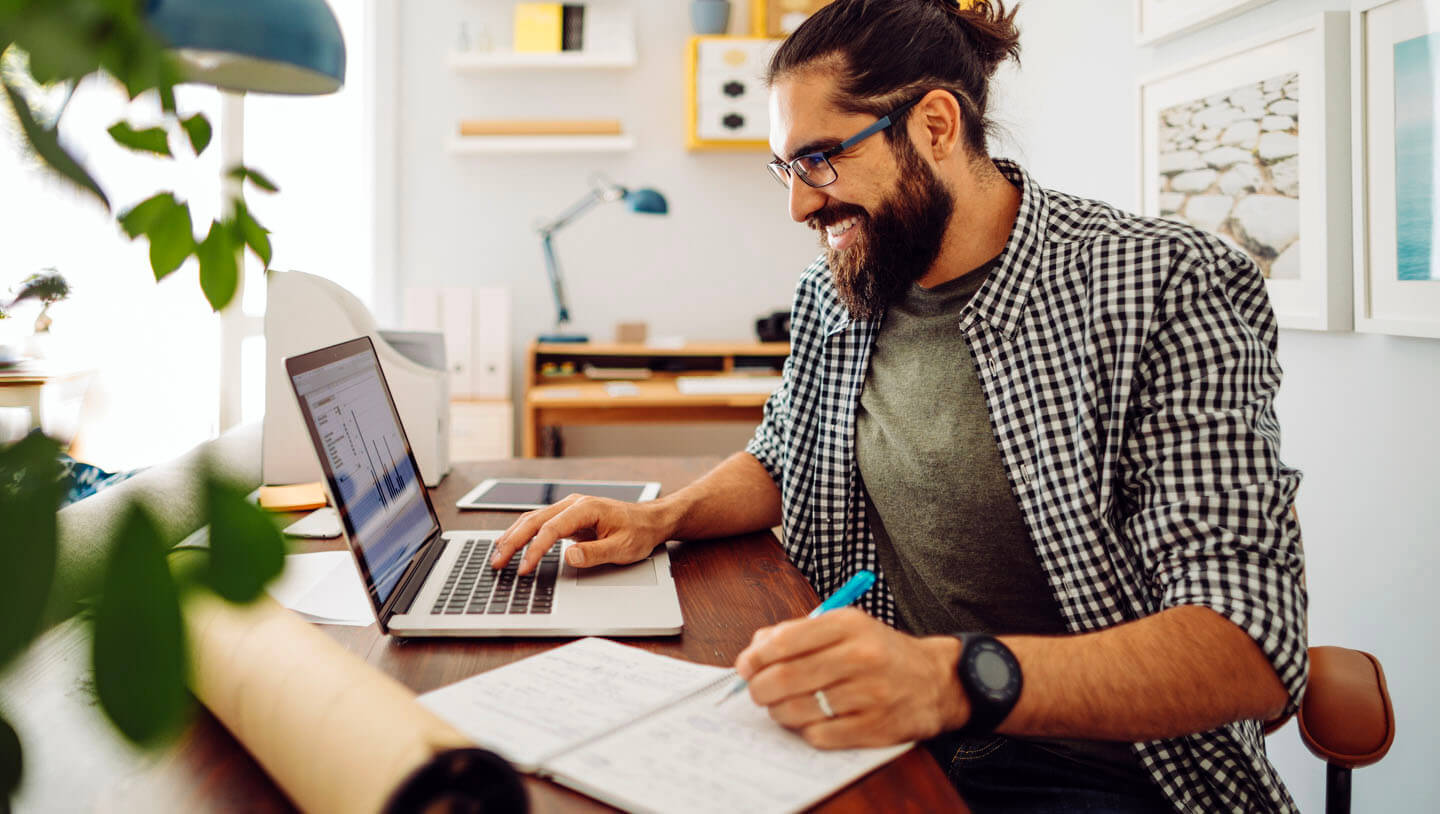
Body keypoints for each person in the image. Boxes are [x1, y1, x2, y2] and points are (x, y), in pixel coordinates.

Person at [489, 1, 1308, 810]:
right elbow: (784, 455)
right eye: (786, 167)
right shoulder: (842, 287)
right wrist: (662, 517)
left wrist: (950, 680)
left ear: (937, 126)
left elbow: (1247, 646)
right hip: (885, 733)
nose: (799, 205)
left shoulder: (1166, 284)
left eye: (820, 159)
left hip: (1099, 770)